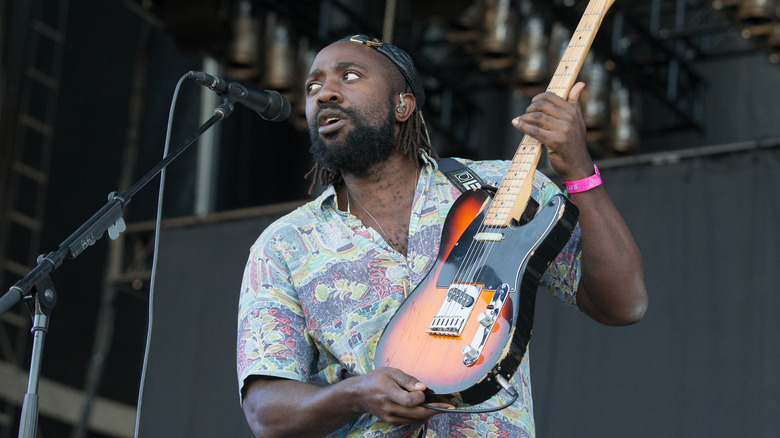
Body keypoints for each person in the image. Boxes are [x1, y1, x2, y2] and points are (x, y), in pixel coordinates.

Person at [237, 34, 647, 438]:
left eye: (350, 75)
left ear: (403, 104)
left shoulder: (505, 189)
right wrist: (356, 394)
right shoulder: (285, 244)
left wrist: (578, 169)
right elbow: (265, 411)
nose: (325, 93)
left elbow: (623, 304)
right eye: (313, 85)